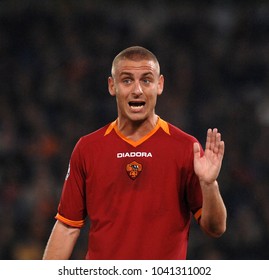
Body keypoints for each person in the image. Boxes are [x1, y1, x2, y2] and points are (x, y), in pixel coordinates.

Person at [42, 46, 226, 260]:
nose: (137, 89)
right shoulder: (88, 148)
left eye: (146, 80)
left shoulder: (186, 147)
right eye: (127, 80)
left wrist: (209, 185)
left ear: (160, 85)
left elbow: (216, 228)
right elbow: (67, 226)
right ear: (112, 86)